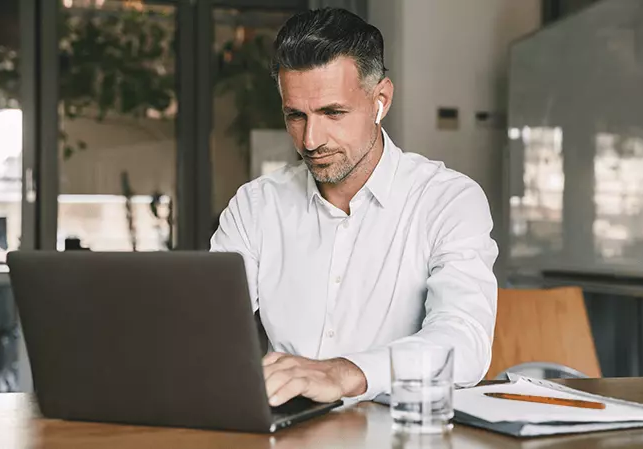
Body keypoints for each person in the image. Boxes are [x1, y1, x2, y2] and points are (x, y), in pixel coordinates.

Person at [210, 8, 498, 407]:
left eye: (333, 113)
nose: (311, 140)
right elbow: (207, 327)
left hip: (401, 432)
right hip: (287, 431)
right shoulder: (256, 206)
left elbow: (463, 342)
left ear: (380, 100)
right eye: (296, 115)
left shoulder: (447, 200)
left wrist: (345, 373)